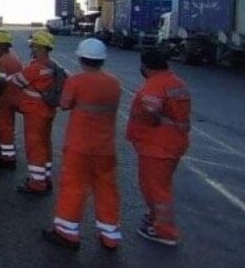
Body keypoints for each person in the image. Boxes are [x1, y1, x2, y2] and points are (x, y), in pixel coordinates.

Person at [43, 39, 122, 250]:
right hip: (105, 147)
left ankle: (67, 232)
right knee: (106, 188)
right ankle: (110, 235)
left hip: (80, 146)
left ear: (81, 58)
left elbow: (64, 104)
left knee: (73, 186)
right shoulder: (114, 83)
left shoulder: (77, 81)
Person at [127, 50, 191, 246]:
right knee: (162, 185)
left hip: (157, 144)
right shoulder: (177, 82)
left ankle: (165, 231)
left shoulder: (155, 84)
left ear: (147, 66)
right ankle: (156, 217)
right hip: (174, 142)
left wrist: (149, 124)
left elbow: (150, 109)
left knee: (155, 188)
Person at [8, 30, 59, 195]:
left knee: (34, 147)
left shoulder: (35, 67)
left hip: (34, 112)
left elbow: (18, 81)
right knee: (45, 144)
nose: (32, 49)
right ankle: (45, 177)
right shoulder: (52, 66)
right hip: (47, 111)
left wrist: (6, 76)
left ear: (40, 47)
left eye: (34, 46)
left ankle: (37, 184)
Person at [0, 31, 24, 169]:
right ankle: (8, 154)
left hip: (5, 98)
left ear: (2, 46)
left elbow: (0, 82)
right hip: (14, 97)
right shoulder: (14, 58)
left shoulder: (2, 61)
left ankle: (7, 158)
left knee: (2, 127)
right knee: (8, 126)